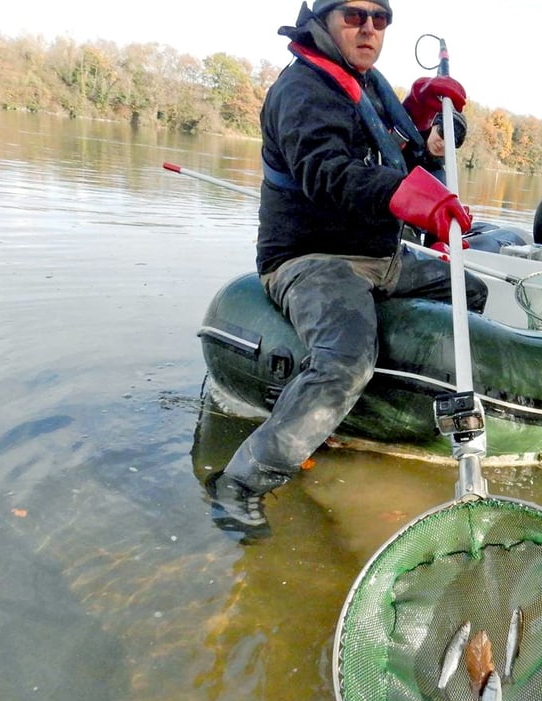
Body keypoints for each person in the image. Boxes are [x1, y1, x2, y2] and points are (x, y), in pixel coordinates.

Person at [206, 0, 488, 537]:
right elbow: (325, 172)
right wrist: (409, 194)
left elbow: (406, 158)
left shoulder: (370, 86)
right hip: (312, 257)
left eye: (380, 19)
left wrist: (427, 123)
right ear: (322, 20)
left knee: (467, 294)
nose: (368, 28)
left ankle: (365, 416)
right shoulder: (301, 90)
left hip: (381, 258)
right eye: (354, 16)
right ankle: (239, 481)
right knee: (344, 361)